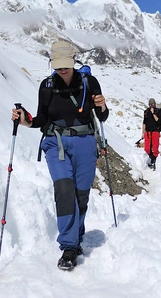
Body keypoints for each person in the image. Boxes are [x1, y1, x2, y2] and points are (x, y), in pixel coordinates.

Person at [12, 40, 108, 271]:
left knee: (81, 194)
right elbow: (42, 119)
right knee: (64, 190)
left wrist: (102, 106)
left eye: (66, 65)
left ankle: (76, 233)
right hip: (56, 144)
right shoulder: (47, 86)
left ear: (73, 61)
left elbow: (102, 118)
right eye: (58, 65)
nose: (62, 69)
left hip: (85, 142)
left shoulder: (88, 82)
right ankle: (69, 246)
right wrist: (25, 119)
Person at [141, 98, 161, 170]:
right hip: (147, 132)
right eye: (150, 104)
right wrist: (143, 132)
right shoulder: (146, 112)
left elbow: (159, 121)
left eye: (152, 104)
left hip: (155, 131)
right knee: (147, 148)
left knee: (155, 147)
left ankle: (155, 161)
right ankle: (152, 158)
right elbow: (144, 123)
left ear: (155, 104)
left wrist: (153, 113)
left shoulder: (158, 111)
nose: (151, 106)